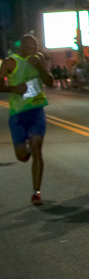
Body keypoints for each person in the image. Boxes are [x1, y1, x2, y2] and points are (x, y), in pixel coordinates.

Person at [1, 34, 54, 205]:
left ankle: (36, 192)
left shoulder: (39, 60)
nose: (34, 50)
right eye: (30, 47)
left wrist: (40, 68)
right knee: (22, 156)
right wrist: (13, 88)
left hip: (36, 111)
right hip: (18, 114)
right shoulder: (10, 62)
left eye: (36, 47)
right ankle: (26, 151)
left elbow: (50, 82)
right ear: (21, 48)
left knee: (38, 149)